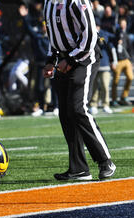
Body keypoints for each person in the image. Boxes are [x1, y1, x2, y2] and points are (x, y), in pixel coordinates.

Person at [42, 0, 116, 181]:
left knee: (78, 108)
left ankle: (105, 161)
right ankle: (79, 168)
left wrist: (72, 60)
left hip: (84, 57)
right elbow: (54, 35)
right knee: (66, 113)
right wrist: (51, 60)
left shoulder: (77, 1)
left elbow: (90, 36)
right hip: (64, 58)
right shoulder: (48, 3)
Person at [89, 18, 116, 115]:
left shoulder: (104, 34)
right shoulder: (88, 34)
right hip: (93, 64)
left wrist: (113, 61)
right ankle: (93, 105)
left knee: (105, 85)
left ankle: (106, 105)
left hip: (104, 64)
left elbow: (108, 44)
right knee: (94, 86)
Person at [110, 17, 133, 107]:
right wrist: (112, 61)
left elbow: (129, 49)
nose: (123, 25)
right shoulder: (115, 34)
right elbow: (111, 47)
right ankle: (114, 99)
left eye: (125, 24)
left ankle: (124, 96)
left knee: (130, 77)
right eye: (122, 24)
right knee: (115, 82)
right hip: (118, 61)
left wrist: (131, 61)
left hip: (126, 60)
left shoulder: (126, 35)